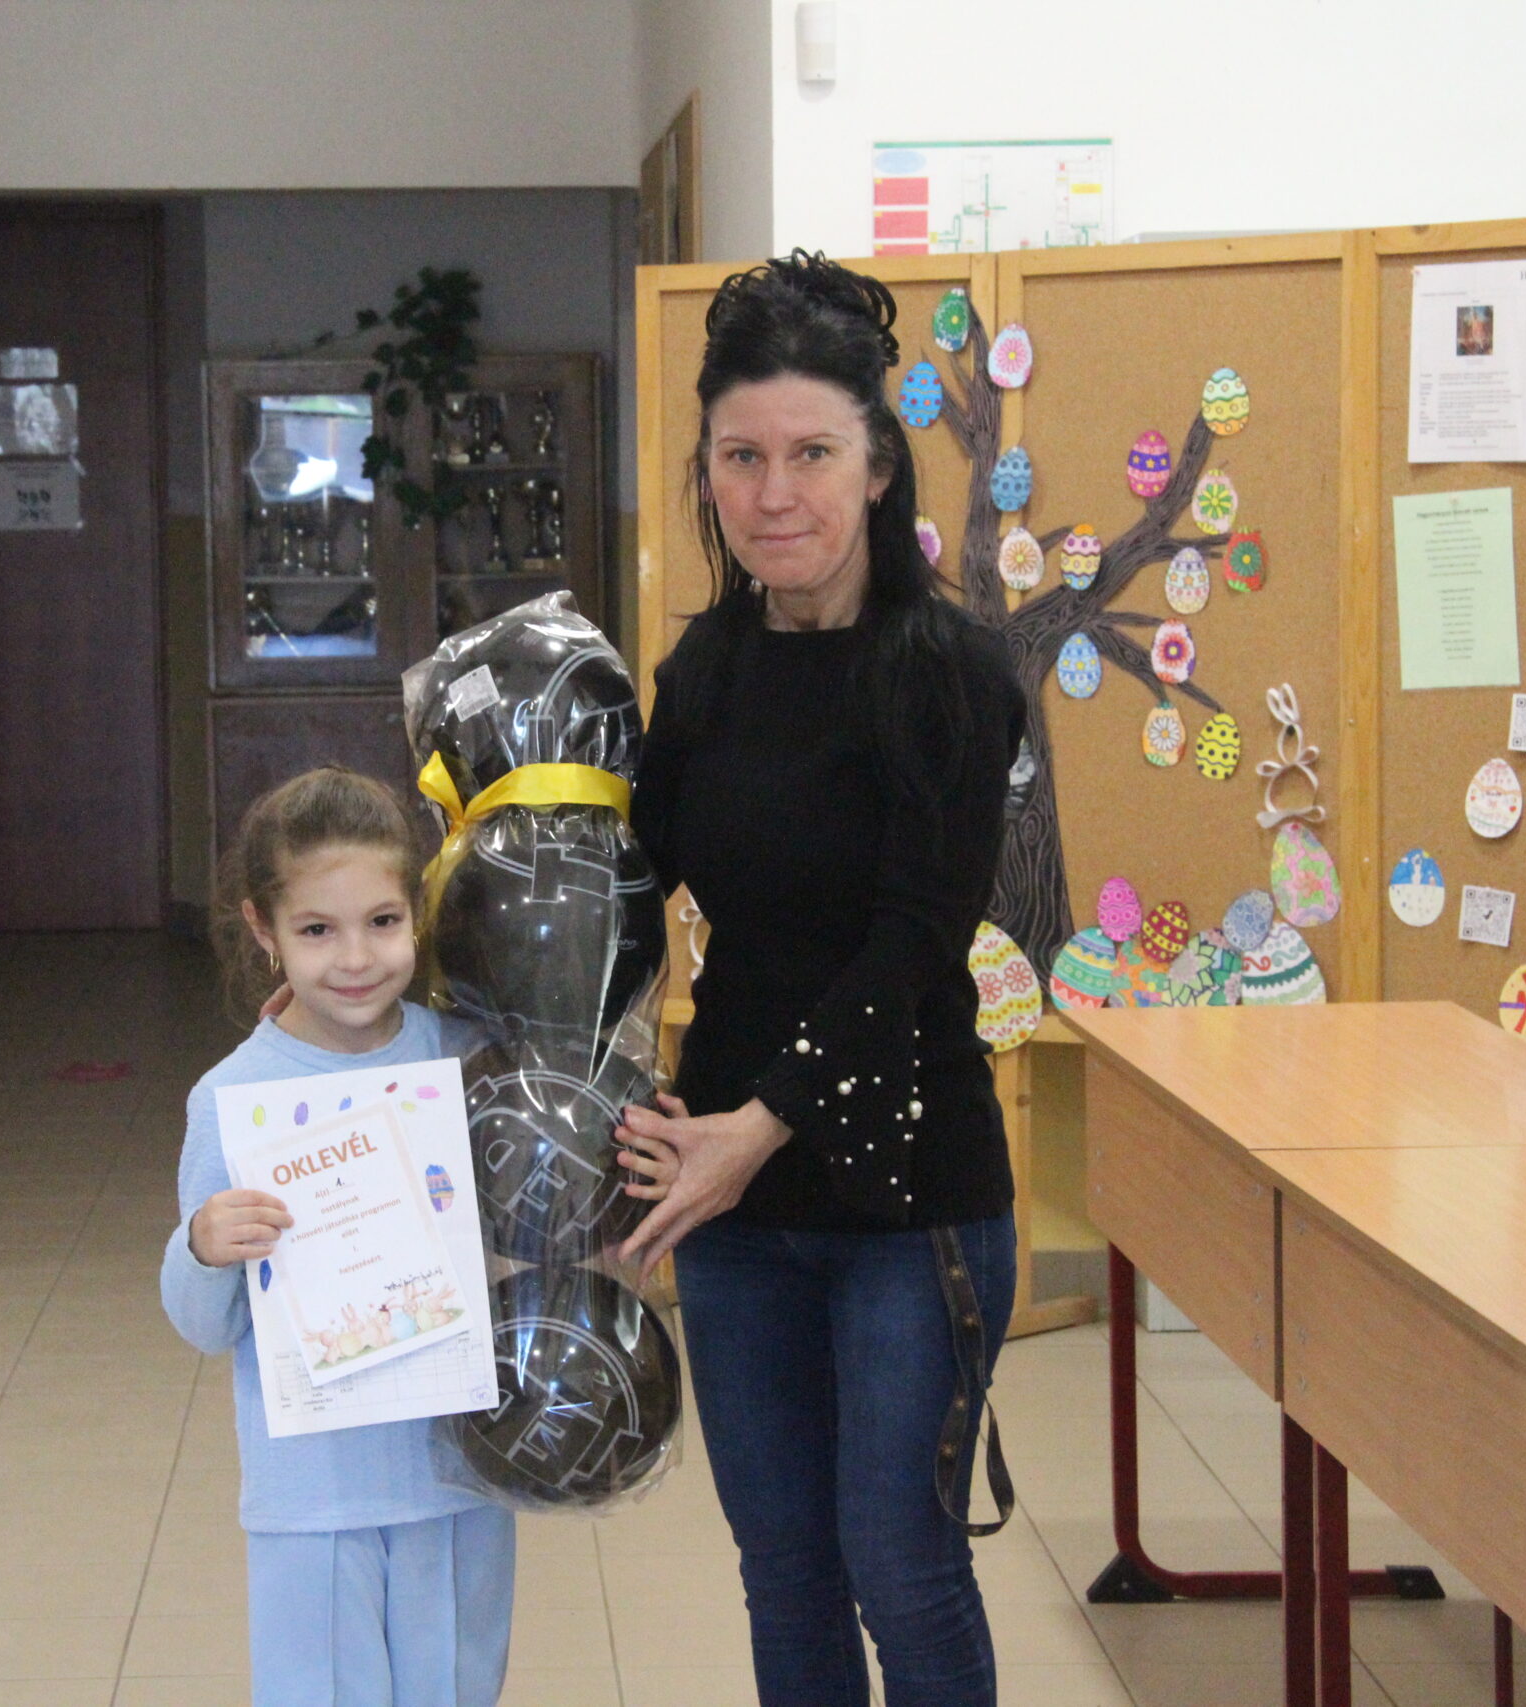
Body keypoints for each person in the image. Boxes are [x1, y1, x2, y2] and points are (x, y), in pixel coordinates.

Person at [614, 252, 1031, 1707]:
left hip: (907, 1193)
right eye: (740, 457)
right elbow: (629, 890)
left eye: (811, 454)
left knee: (899, 1565)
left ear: (877, 468)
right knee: (783, 1566)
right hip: (733, 1194)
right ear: (707, 473)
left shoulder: (952, 673)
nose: (773, 492)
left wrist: (756, 1126)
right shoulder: (704, 673)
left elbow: (913, 944)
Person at [159, 767, 515, 1707]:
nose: (356, 957)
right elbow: (204, 1324)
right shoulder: (232, 1097)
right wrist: (202, 1245)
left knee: (455, 1690)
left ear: (417, 914)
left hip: (456, 1477)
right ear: (263, 929)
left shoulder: (465, 1059)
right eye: (317, 929)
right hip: (312, 1495)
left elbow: (535, 1226)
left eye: (383, 921)